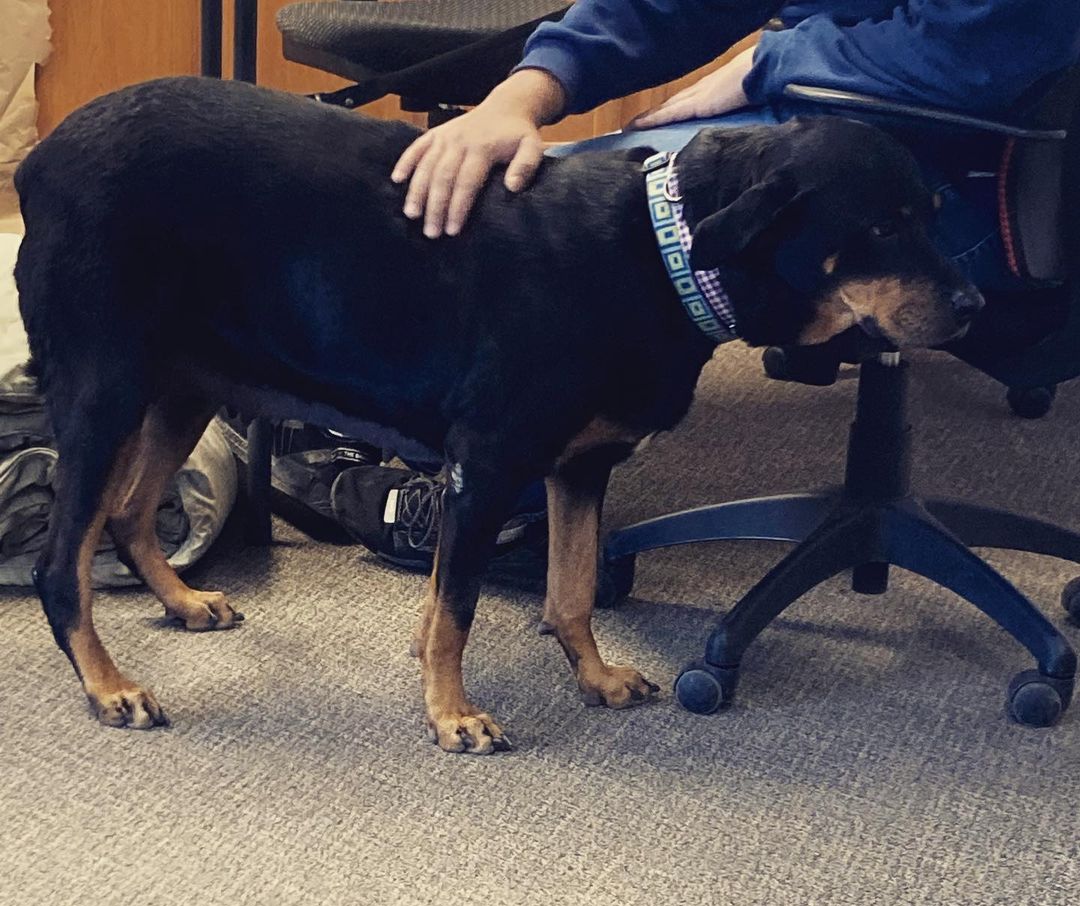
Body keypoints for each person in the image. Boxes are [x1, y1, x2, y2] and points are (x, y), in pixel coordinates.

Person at [338, 0, 1080, 569]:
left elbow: (982, 49)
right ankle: (417, 422)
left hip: (995, 174)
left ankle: (506, 513)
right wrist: (522, 97)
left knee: (577, 230)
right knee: (538, 193)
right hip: (848, 122)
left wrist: (772, 63)